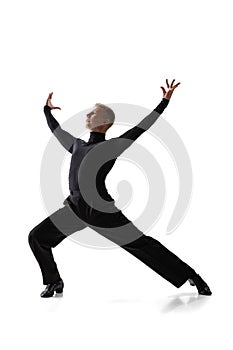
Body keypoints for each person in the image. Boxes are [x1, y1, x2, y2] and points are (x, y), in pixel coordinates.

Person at [28, 79, 212, 298]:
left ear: (104, 122)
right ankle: (54, 281)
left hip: (102, 213)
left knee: (143, 245)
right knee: (37, 237)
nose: (87, 116)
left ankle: (191, 275)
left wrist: (163, 102)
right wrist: (46, 110)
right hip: (75, 210)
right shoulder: (77, 145)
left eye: (92, 114)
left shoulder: (111, 146)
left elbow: (141, 128)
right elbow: (56, 130)